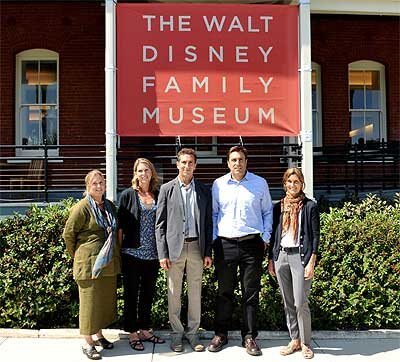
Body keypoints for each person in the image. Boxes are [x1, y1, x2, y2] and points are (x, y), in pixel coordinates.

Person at [208, 145, 273, 356]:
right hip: (225, 244)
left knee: (250, 293)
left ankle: (249, 336)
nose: (237, 163)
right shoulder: (218, 185)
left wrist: (265, 238)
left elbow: (267, 213)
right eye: (234, 160)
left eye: (241, 159)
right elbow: (214, 214)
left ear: (246, 162)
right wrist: (215, 240)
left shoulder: (259, 183)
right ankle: (221, 334)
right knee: (224, 292)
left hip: (251, 244)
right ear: (228, 163)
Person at [155, 148, 213, 353]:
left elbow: (208, 223)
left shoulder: (204, 190)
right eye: (183, 162)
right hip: (174, 250)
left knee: (195, 292)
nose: (186, 166)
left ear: (195, 165)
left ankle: (193, 333)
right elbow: (160, 225)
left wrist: (208, 252)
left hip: (197, 247)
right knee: (174, 293)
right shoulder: (166, 189)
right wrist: (162, 254)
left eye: (190, 163)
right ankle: (176, 335)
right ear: (177, 164)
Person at [63, 170, 119, 360]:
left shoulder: (109, 206)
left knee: (102, 303)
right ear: (87, 186)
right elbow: (68, 234)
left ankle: (99, 335)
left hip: (107, 263)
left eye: (101, 182)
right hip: (89, 264)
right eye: (94, 183)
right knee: (89, 304)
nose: (98, 186)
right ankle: (87, 343)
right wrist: (78, 254)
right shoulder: (82, 207)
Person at [268, 167, 319, 359]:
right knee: (288, 302)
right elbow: (274, 235)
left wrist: (311, 261)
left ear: (302, 184)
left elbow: (315, 237)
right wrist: (271, 259)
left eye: (296, 182)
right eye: (289, 182)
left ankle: (306, 343)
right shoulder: (278, 206)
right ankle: (294, 340)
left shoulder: (310, 206)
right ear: (284, 184)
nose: (292, 185)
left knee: (300, 302)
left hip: (300, 257)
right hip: (281, 256)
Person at [118, 158, 165, 351]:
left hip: (153, 254)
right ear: (135, 174)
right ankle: (132, 332)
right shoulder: (128, 195)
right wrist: (120, 251)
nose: (143, 174)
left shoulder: (157, 193)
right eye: (139, 171)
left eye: (146, 170)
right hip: (132, 254)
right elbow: (120, 226)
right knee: (131, 295)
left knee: (147, 294)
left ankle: (145, 328)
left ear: (152, 173)